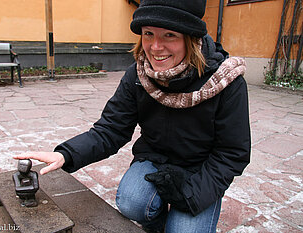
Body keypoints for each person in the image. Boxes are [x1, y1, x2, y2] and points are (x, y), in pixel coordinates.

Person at [13, 0, 251, 232]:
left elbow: (232, 153)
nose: (155, 47)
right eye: (148, 34)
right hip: (155, 158)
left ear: (190, 38)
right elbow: (111, 129)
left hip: (201, 169)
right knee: (131, 203)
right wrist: (65, 154)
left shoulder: (226, 82)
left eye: (169, 35)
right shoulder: (138, 75)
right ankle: (156, 226)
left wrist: (191, 194)